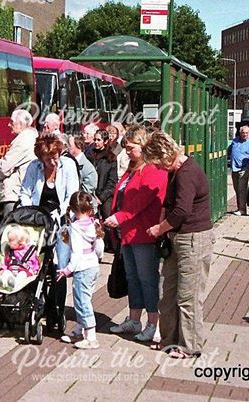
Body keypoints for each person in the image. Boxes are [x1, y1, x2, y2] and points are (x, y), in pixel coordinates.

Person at [144, 130, 214, 359]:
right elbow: (169, 202)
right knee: (168, 291)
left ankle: (189, 345)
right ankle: (169, 339)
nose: (158, 169)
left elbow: (181, 211)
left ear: (165, 156)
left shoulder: (187, 172)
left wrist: (158, 229)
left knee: (188, 296)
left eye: (158, 163)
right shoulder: (176, 172)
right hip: (177, 238)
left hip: (193, 239)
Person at [105, 125, 168, 342]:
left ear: (143, 146)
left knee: (147, 279)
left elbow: (141, 202)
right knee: (133, 278)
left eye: (131, 148)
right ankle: (134, 319)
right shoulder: (133, 169)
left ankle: (153, 323)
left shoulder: (154, 171)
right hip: (128, 233)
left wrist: (119, 218)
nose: (127, 152)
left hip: (144, 234)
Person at [20, 133, 81, 333]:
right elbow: (26, 192)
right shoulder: (33, 168)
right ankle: (35, 305)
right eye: (48, 159)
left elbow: (72, 195)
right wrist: (27, 212)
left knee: (59, 266)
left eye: (56, 156)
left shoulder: (68, 166)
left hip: (60, 221)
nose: (53, 162)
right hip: (37, 221)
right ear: (40, 158)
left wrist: (60, 214)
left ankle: (57, 310)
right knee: (33, 263)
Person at [58, 192, 104, 349]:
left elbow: (76, 253)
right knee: (85, 298)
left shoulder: (75, 228)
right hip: (93, 266)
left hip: (82, 268)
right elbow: (99, 247)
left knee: (81, 301)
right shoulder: (94, 223)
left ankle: (91, 337)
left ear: (72, 209)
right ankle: (79, 330)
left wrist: (67, 269)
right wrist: (98, 257)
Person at [0, 110, 38, 217]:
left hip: (15, 193)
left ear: (21, 124)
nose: (8, 124)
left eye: (12, 122)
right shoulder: (31, 137)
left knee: (11, 227)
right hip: (20, 191)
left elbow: (4, 167)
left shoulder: (23, 140)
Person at [0, 225, 40, 290]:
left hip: (25, 270)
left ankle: (14, 284)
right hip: (11, 270)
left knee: (22, 275)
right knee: (6, 273)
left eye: (10, 241)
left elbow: (35, 262)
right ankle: (2, 282)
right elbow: (6, 262)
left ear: (20, 242)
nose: (8, 242)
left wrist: (35, 270)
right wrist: (2, 269)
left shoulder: (30, 251)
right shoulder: (10, 251)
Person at [227, 125, 249, 216]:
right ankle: (240, 208)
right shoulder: (235, 140)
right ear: (240, 133)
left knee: (242, 189)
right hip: (234, 168)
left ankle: (242, 210)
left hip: (244, 169)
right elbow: (229, 150)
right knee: (237, 189)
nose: (245, 135)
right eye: (243, 133)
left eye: (246, 133)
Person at [91, 130, 118, 220]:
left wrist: (101, 198)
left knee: (108, 219)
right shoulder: (90, 155)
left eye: (99, 140)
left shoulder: (110, 158)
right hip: (92, 194)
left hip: (105, 196)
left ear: (105, 141)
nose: (96, 142)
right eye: (95, 139)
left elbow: (112, 181)